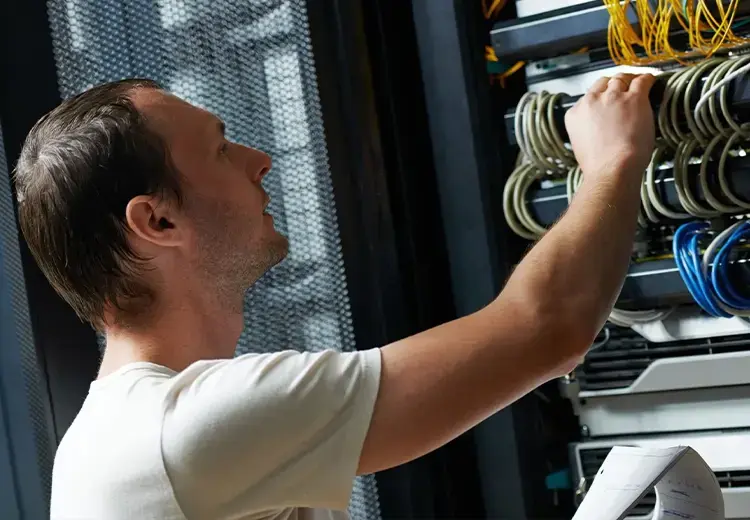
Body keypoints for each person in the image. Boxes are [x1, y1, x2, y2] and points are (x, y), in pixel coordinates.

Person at [15, 72, 656, 520]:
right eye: (219, 149)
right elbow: (547, 329)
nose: (259, 158)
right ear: (158, 222)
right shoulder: (182, 429)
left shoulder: (115, 438)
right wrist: (611, 162)